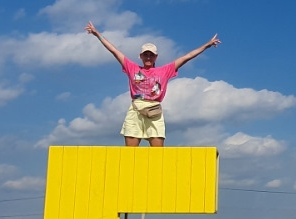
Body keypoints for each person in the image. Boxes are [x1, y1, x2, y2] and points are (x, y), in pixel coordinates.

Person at [83, 22, 220, 146]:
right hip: (136, 110)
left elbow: (187, 57)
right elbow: (114, 51)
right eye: (146, 54)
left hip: (154, 110)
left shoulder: (165, 70)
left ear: (156, 57)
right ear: (141, 56)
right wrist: (97, 34)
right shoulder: (132, 67)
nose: (148, 57)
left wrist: (207, 45)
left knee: (157, 155)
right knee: (130, 154)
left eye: (151, 55)